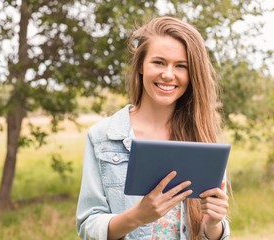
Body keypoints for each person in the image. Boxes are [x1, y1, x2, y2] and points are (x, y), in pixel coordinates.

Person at [76, 16, 230, 240]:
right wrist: (137, 216)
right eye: (159, 62)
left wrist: (214, 223)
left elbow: (213, 234)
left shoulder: (203, 140)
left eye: (181, 66)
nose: (168, 74)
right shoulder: (103, 137)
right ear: (140, 66)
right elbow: (88, 226)